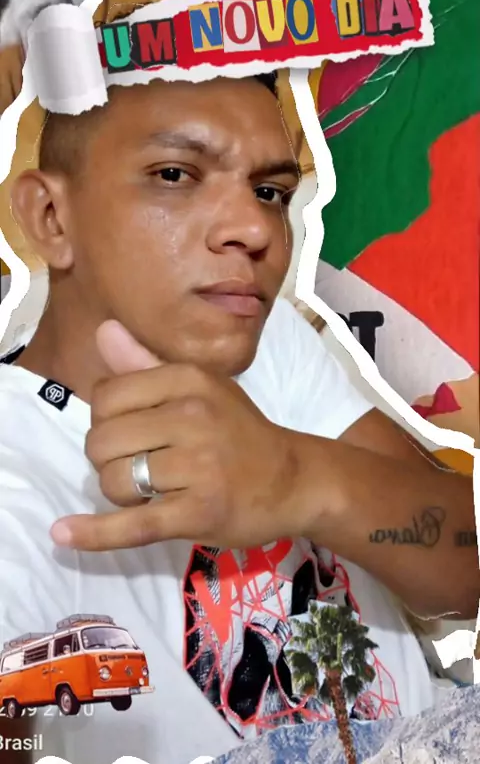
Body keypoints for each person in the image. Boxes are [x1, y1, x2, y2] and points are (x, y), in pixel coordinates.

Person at [0, 67, 477, 764]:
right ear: (50, 217)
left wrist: (301, 478)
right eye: (174, 174)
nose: (255, 229)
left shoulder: (263, 338)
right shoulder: (14, 479)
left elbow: (466, 568)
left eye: (269, 192)